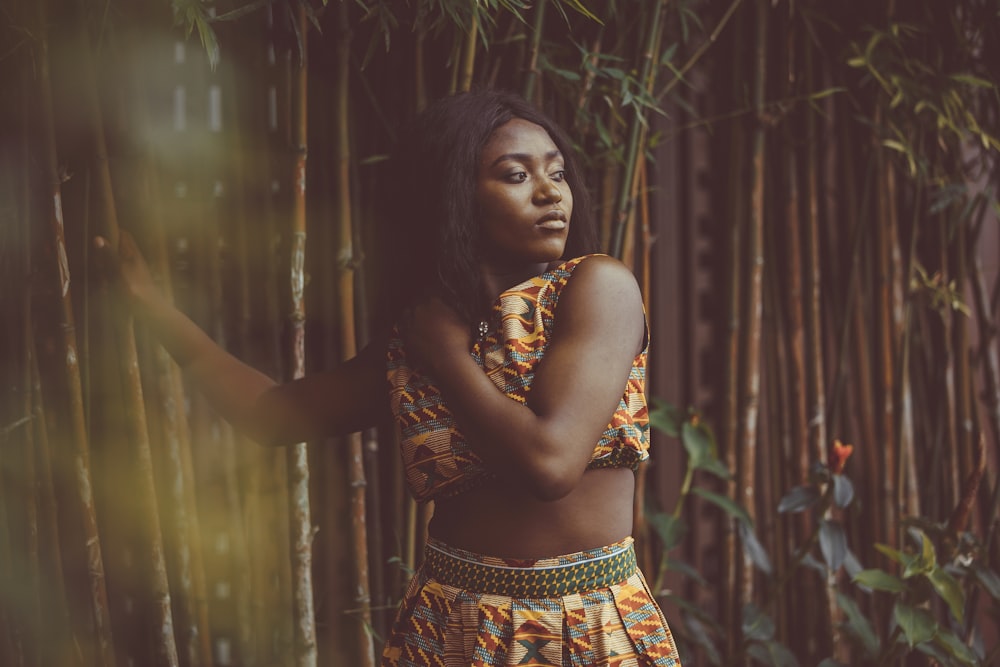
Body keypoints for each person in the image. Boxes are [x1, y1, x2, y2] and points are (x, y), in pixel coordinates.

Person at [98, 88, 682, 667]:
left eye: (557, 174)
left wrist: (449, 359)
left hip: (582, 629)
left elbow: (550, 463)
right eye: (515, 175)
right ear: (454, 197)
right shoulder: (424, 334)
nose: (552, 192)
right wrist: (153, 308)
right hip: (449, 627)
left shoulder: (596, 289)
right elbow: (268, 415)